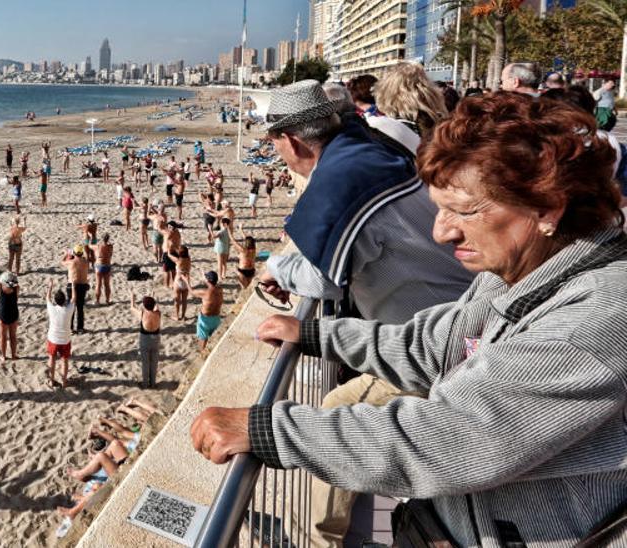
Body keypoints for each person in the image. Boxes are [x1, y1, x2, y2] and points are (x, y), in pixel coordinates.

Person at [192, 93, 627, 548]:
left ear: (548, 207)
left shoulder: (594, 322)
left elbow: (448, 440)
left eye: (463, 210)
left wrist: (268, 430)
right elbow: (431, 347)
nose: (442, 231)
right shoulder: (522, 271)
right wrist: (318, 334)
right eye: (439, 208)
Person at [260, 80, 473, 325]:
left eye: (275, 146)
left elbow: (323, 280)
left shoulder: (338, 183)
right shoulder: (367, 152)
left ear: (291, 142)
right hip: (462, 301)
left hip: (446, 330)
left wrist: (276, 268)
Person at [44, 279, 75, 388]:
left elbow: (47, 298)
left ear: (56, 301)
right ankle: (64, 381)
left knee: (51, 359)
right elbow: (73, 298)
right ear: (64, 300)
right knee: (65, 360)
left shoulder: (52, 309)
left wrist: (50, 286)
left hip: (53, 339)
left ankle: (51, 381)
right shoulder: (69, 309)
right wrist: (73, 285)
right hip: (65, 339)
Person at [129, 291, 162, 388]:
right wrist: (153, 297)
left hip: (145, 339)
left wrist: (132, 298)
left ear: (144, 306)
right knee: (154, 362)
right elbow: (156, 307)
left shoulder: (142, 314)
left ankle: (145, 384)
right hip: (155, 339)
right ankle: (153, 383)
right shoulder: (158, 313)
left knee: (145, 363)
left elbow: (132, 308)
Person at [0, 272, 22, 363]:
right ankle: (14, 355)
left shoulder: (0, 288)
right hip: (13, 313)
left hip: (3, 314)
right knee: (13, 336)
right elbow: (15, 285)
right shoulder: (16, 289)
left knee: (3, 337)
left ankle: (3, 356)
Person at [194, 271, 222, 352]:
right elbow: (213, 285)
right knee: (214, 339)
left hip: (205, 320)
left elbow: (191, 291)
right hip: (216, 319)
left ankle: (202, 354)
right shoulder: (220, 289)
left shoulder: (205, 292)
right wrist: (205, 278)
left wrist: (186, 281)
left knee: (203, 340)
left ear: (208, 280)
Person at [92, 233, 114, 305]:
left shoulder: (97, 246)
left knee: (98, 284)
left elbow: (88, 245)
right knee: (107, 285)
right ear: (108, 239)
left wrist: (90, 236)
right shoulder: (110, 246)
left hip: (99, 266)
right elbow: (110, 254)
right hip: (107, 266)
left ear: (101, 239)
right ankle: (107, 301)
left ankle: (97, 301)